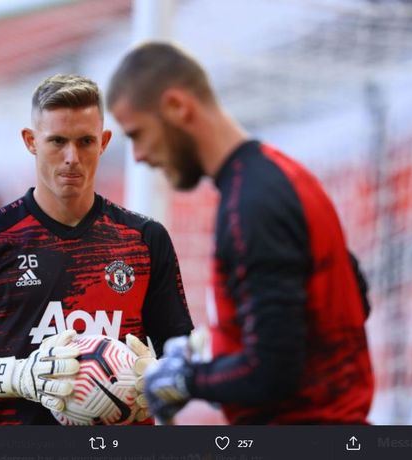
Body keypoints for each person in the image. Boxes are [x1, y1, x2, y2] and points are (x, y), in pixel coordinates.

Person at [107, 42, 374, 424]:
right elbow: (351, 297)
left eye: (137, 134)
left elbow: (272, 371)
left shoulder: (251, 206)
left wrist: (187, 379)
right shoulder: (285, 176)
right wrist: (215, 353)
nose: (138, 156)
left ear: (177, 107)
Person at [0, 74, 193, 425]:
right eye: (57, 141)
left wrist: (157, 380)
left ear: (104, 142)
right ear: (31, 141)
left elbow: (183, 357)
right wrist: (18, 376)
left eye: (85, 141)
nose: (71, 157)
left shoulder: (144, 239)